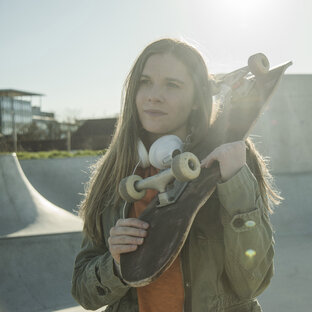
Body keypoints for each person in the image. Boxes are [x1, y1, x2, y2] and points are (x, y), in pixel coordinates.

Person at [71, 38, 280, 312]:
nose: (153, 95)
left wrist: (236, 183)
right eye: (145, 82)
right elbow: (83, 293)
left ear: (196, 99)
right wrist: (116, 266)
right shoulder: (115, 171)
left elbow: (253, 282)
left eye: (172, 85)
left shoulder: (229, 157)